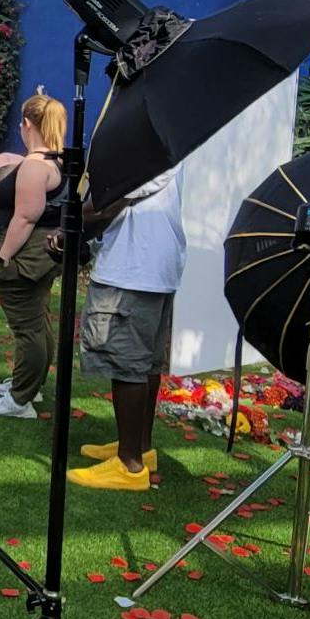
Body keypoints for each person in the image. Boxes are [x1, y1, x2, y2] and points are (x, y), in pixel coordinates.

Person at [70, 165, 187, 493]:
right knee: (146, 364)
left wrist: (72, 219)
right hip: (153, 265)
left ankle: (129, 463)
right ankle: (138, 447)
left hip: (133, 268)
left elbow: (116, 197)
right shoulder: (171, 145)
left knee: (128, 364)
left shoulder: (148, 149)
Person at [0, 91, 67, 420]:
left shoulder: (35, 166)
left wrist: (3, 258)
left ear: (27, 123)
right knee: (39, 322)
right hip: (45, 252)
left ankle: (20, 399)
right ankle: (29, 384)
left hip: (27, 255)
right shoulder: (57, 160)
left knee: (28, 328)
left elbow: (25, 217)